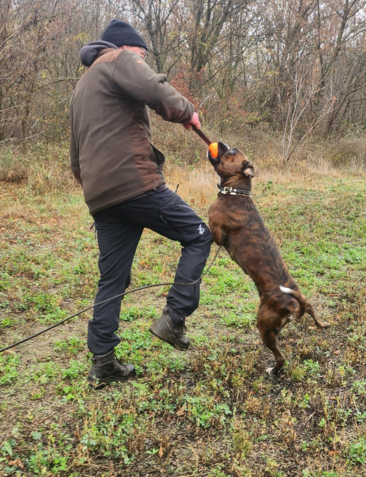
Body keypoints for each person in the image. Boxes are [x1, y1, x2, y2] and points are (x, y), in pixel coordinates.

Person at [70, 19, 213, 387]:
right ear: (126, 48)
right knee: (199, 235)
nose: (143, 61)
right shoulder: (118, 59)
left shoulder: (82, 87)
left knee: (113, 278)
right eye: (142, 55)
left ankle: (103, 362)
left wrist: (96, 190)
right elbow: (153, 86)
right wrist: (187, 112)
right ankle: (174, 319)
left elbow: (75, 156)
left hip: (101, 197)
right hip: (134, 183)